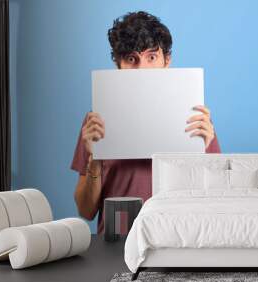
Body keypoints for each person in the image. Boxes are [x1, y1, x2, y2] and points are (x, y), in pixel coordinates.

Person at [71, 11, 221, 234]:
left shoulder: (195, 119)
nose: (142, 69)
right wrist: (94, 160)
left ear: (166, 61)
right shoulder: (97, 120)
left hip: (175, 239)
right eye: (132, 59)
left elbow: (217, 202)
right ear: (118, 64)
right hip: (118, 238)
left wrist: (206, 149)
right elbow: (86, 211)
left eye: (151, 57)